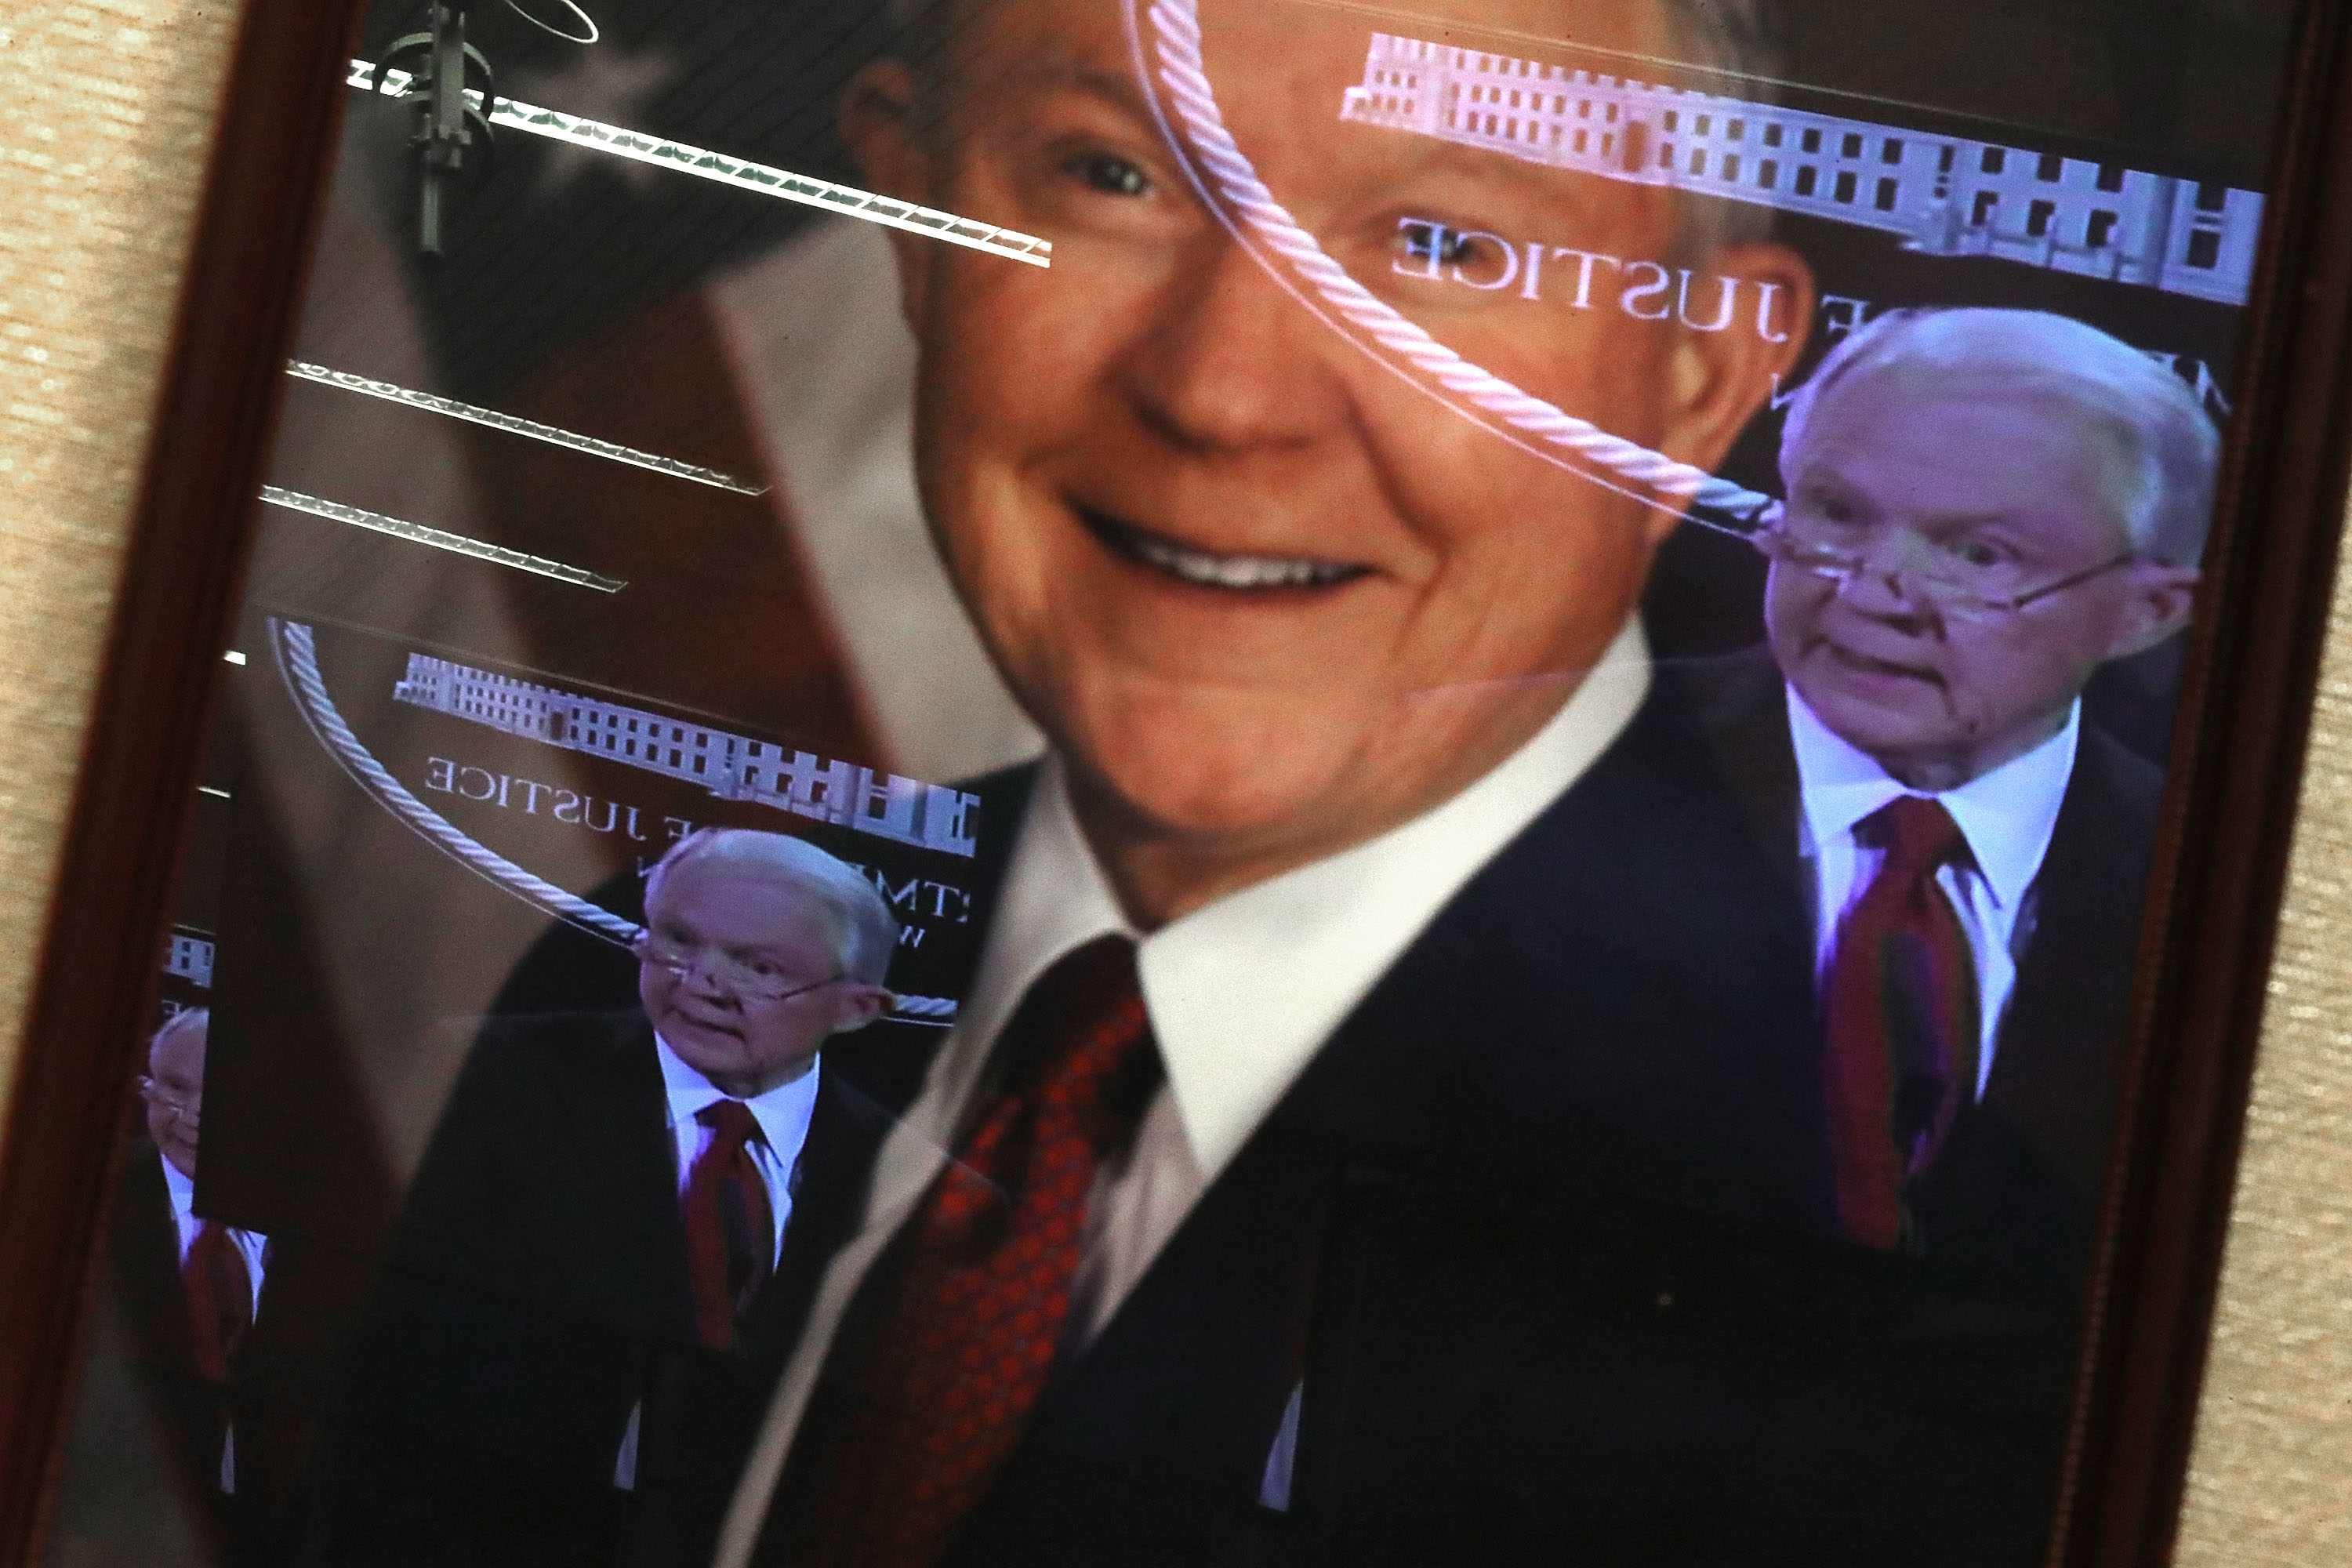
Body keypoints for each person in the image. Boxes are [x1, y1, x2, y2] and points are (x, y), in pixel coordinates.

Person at [703, 0, 1931, 1562]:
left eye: (1443, 243)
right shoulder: (631, 1005)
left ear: (1698, 380)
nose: (1223, 393)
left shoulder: (1874, 1309)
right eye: (1112, 175)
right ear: (915, 217)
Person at [1693, 306, 2212, 1284]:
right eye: (1838, 514)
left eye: (1981, 556)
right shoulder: (1513, 772)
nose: (1874, 591)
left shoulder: (2222, 891)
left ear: (2148, 612)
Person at [328, 829, 903, 1566]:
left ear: (858, 1008)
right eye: (677, 941)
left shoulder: (917, 1184)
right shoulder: (488, 1080)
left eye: (757, 966)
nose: (701, 983)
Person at [110, 1008, 273, 1530]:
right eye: (175, 1090)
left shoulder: (324, 1215)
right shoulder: (90, 1201)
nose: (195, 1116)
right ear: (145, 1089)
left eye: (221, 1096)